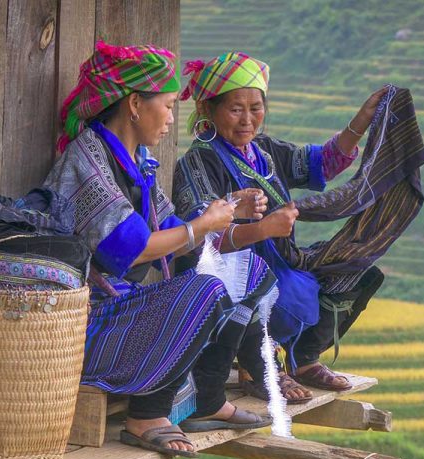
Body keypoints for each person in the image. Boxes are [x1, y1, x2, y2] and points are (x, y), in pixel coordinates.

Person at [44, 41, 276, 458]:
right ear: (135, 104)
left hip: (121, 313)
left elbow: (173, 236)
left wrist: (226, 211)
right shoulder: (87, 160)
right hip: (82, 328)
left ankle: (207, 399)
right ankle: (147, 416)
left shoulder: (140, 163)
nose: (171, 119)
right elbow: (133, 251)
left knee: (249, 270)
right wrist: (202, 224)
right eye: (168, 106)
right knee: (205, 290)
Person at [173, 52, 410, 401]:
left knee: (357, 269)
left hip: (283, 261)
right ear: (207, 109)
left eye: (256, 108)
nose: (247, 120)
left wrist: (361, 120)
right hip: (231, 274)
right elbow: (198, 239)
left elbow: (322, 163)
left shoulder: (266, 151)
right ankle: (259, 368)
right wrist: (260, 228)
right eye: (236, 109)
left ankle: (303, 358)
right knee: (257, 284)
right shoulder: (196, 162)